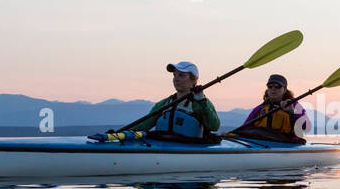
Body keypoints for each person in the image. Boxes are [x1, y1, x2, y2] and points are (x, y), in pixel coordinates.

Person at [90, 61, 220, 143]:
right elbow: (144, 124)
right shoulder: (165, 103)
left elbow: (214, 126)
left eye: (181, 75)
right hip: (162, 144)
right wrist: (119, 134)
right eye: (174, 75)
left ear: (193, 80)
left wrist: (201, 100)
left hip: (189, 148)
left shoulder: (201, 103)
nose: (176, 79)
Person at [238, 74, 309, 143]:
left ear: (284, 90)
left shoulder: (294, 105)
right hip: (262, 142)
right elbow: (245, 127)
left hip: (287, 142)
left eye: (277, 86)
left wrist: (292, 112)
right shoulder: (260, 108)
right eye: (270, 86)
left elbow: (305, 127)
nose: (273, 89)